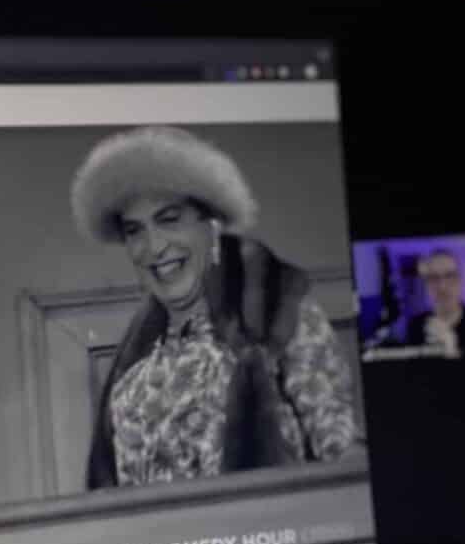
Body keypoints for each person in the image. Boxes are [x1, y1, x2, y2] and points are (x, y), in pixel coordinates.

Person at [72, 126, 359, 501]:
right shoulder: (132, 366)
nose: (154, 247)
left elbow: (343, 465)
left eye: (169, 219)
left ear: (212, 224)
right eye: (134, 231)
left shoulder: (278, 314)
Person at [401, 247, 465, 358]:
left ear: (460, 280)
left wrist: (452, 349)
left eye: (449, 276)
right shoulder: (415, 326)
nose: (442, 286)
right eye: (433, 278)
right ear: (426, 284)